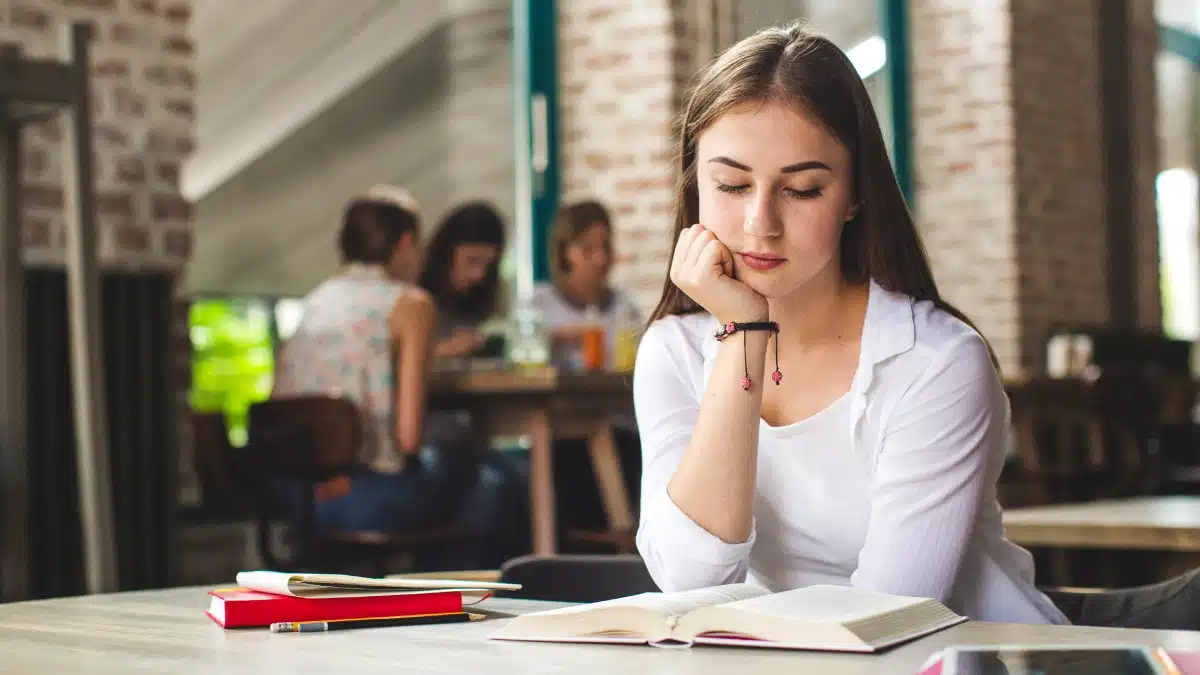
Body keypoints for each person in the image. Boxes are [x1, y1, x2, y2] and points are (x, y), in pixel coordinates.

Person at [631, 23, 1069, 624]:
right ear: (695, 184)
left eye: (803, 189)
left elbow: (886, 620)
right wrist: (744, 336)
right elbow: (689, 579)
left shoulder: (935, 363)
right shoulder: (672, 351)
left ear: (855, 195)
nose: (761, 223)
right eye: (731, 184)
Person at [271, 186, 523, 569]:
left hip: (297, 500)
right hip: (365, 500)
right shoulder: (411, 303)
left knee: (484, 485)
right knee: (491, 483)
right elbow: (408, 437)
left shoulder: (314, 301)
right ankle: (450, 607)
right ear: (405, 243)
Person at [532, 200, 642, 370]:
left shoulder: (625, 307)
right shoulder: (539, 305)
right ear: (565, 252)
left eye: (605, 246)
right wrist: (555, 339)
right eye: (587, 249)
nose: (601, 258)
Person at [419, 201, 508, 360]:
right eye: (472, 261)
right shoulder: (414, 294)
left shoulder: (488, 295)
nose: (479, 275)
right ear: (446, 254)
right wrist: (444, 350)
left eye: (488, 265)